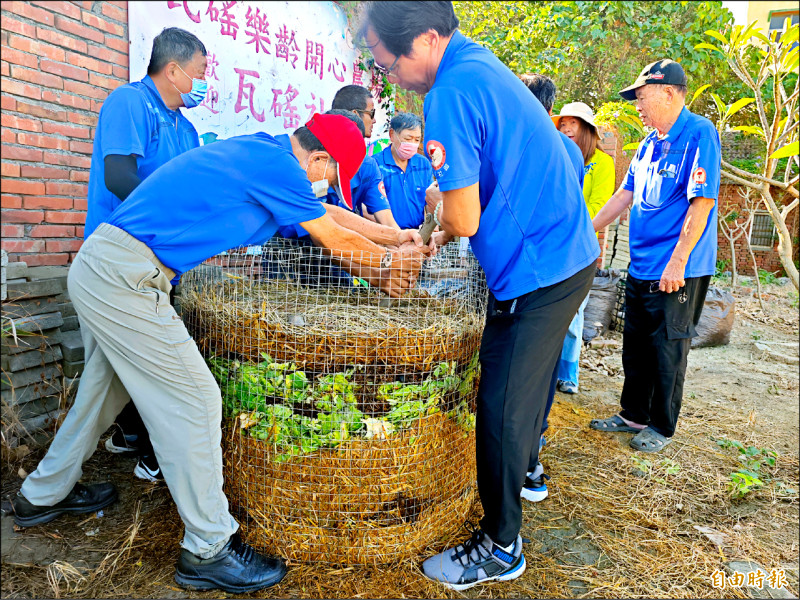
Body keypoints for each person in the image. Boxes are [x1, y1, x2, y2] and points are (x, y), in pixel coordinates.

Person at [11, 113, 426, 594]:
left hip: (111, 269)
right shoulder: (275, 165)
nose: (328, 187)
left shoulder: (267, 155)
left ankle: (41, 495)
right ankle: (209, 548)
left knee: (102, 395)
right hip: (123, 276)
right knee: (196, 399)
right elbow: (333, 238)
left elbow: (330, 218)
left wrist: (396, 238)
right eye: (332, 174)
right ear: (317, 158)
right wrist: (389, 269)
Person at [361, 1, 599, 589]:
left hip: (541, 267)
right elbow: (487, 182)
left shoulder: (449, 92)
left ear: (422, 40)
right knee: (509, 384)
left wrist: (433, 223)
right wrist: (442, 226)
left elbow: (464, 214)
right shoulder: (478, 62)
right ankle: (524, 474)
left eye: (387, 64)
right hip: (557, 254)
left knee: (498, 403)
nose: (387, 76)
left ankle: (501, 545)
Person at [85, 27, 209, 482]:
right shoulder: (130, 102)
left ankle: (128, 436)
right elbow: (119, 176)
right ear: (173, 70)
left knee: (131, 365)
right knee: (114, 367)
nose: (202, 81)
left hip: (161, 264)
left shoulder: (188, 129)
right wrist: (173, 221)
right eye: (199, 72)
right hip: (118, 257)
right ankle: (143, 447)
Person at [589, 59, 719, 453]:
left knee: (667, 347)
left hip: (679, 268)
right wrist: (585, 230)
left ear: (668, 92)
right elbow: (622, 196)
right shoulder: (648, 144)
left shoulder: (699, 134)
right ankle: (633, 414)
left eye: (641, 97)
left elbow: (703, 202)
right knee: (637, 344)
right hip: (642, 265)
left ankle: (661, 426)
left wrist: (678, 261)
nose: (637, 106)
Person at [552, 102, 616, 395]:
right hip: (552, 242)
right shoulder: (556, 158)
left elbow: (598, 206)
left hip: (579, 245)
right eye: (562, 125)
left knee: (573, 310)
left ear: (587, 129)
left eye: (572, 124)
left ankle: (568, 372)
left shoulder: (602, 163)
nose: (565, 129)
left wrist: (570, 229)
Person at [330, 85, 400, 228]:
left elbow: (386, 219)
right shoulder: (316, 159)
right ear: (355, 115)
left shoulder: (368, 165)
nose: (374, 120)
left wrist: (403, 239)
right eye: (372, 113)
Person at [374, 112, 434, 229]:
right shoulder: (375, 164)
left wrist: (430, 228)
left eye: (416, 140)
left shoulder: (423, 164)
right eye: (407, 139)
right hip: (386, 235)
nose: (412, 144)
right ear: (392, 135)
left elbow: (430, 200)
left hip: (417, 235)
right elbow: (367, 207)